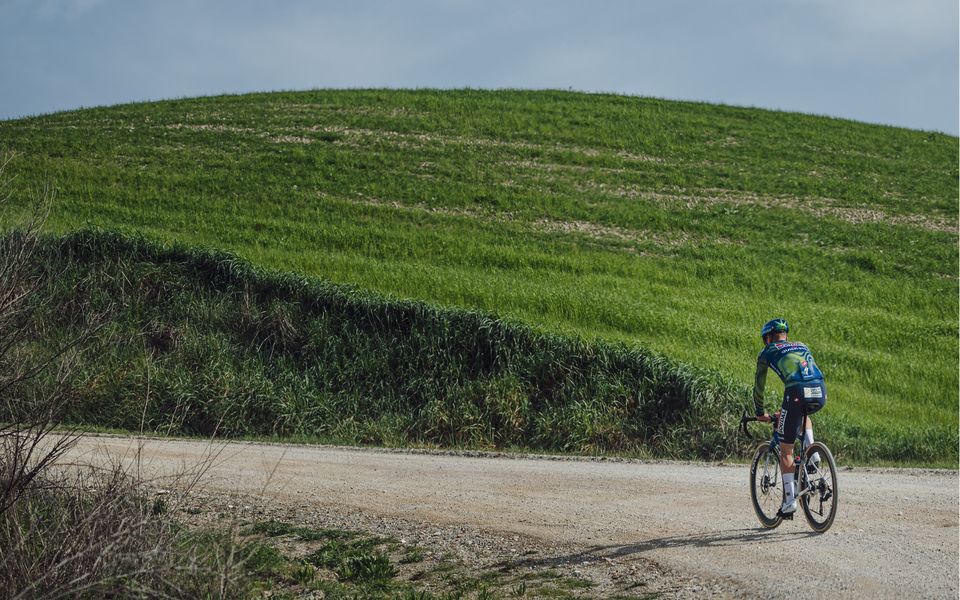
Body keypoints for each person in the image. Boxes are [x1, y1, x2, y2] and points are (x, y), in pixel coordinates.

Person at [753, 318, 826, 516]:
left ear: (768, 337)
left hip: (795, 392)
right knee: (804, 413)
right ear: (786, 335)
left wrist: (760, 412)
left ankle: (790, 502)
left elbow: (759, 387)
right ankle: (813, 454)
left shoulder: (767, 351)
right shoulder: (801, 345)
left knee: (786, 448)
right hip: (820, 390)